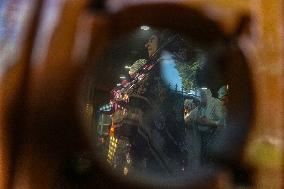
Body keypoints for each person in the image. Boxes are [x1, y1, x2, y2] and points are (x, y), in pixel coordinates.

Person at [187, 88, 223, 165]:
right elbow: (187, 118)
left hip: (215, 140)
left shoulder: (216, 103)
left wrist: (210, 122)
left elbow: (225, 122)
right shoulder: (198, 108)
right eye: (197, 98)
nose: (197, 101)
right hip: (202, 142)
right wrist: (194, 120)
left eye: (201, 97)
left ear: (206, 96)